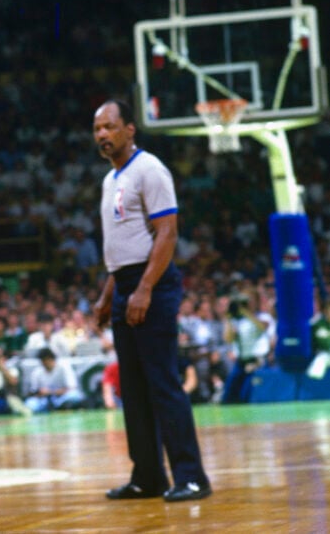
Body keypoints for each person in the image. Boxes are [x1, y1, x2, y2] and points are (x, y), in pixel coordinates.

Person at [92, 99, 211, 503]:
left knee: (163, 384)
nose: (102, 135)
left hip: (153, 285)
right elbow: (122, 247)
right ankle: (148, 476)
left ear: (130, 130)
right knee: (134, 389)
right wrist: (108, 296)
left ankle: (192, 476)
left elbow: (167, 234)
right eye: (97, 129)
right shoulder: (110, 181)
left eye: (110, 127)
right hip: (125, 283)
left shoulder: (150, 169)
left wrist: (143, 289)